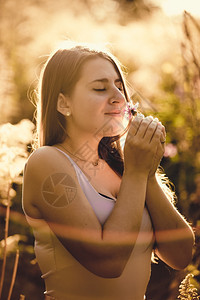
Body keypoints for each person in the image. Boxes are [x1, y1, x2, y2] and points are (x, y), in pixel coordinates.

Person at [22, 41, 194, 300]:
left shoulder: (127, 164)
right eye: (100, 88)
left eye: (119, 86)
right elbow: (108, 263)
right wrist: (136, 173)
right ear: (63, 103)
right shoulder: (47, 162)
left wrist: (146, 172)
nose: (118, 96)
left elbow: (180, 256)